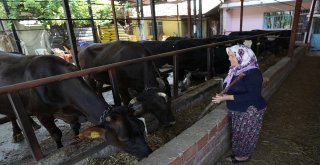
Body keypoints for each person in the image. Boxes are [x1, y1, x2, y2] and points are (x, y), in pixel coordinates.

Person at [212, 44, 267, 163]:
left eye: (232, 56)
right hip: (238, 109)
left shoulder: (253, 74)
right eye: (229, 55)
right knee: (238, 133)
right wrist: (224, 95)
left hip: (250, 111)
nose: (229, 58)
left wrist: (227, 97)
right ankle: (239, 153)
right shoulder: (236, 70)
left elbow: (253, 96)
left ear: (243, 56)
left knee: (245, 135)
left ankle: (243, 157)